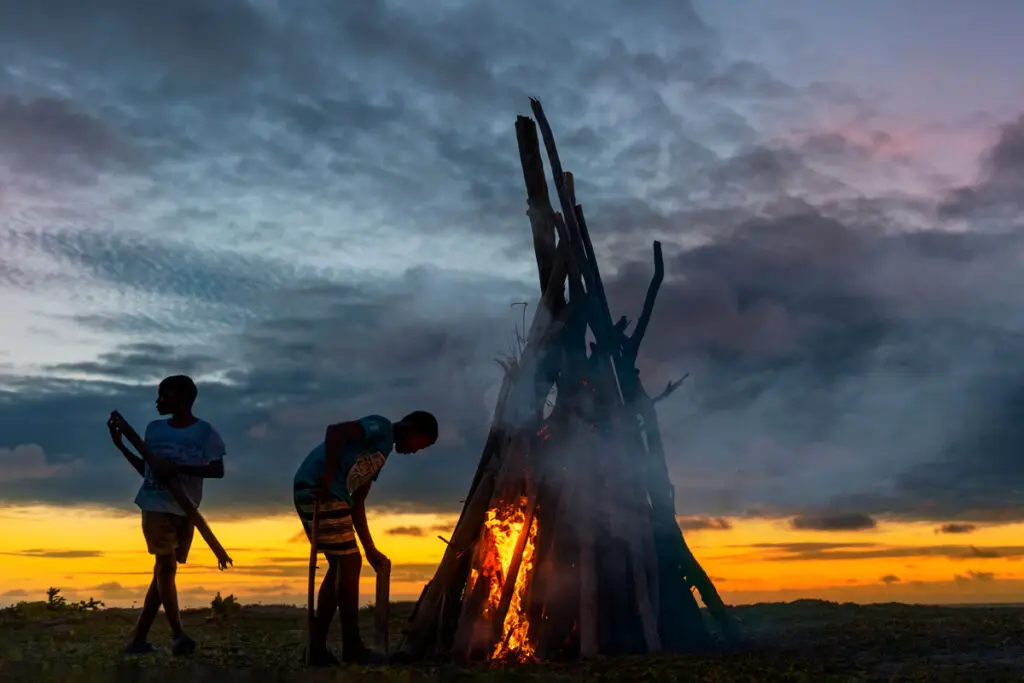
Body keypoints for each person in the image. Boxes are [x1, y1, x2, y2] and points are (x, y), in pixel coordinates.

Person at [293, 410, 438, 666]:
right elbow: (335, 431)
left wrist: (370, 548)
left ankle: (317, 649)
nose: (415, 451)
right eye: (420, 444)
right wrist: (328, 475)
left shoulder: (381, 454)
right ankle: (351, 648)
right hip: (319, 490)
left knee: (341, 565)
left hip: (330, 493)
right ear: (411, 427)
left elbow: (357, 502)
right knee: (349, 563)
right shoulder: (381, 427)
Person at [107, 375, 226, 657]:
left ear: (182, 400)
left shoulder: (205, 433)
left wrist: (178, 468)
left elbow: (217, 470)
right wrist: (121, 445)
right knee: (166, 567)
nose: (157, 401)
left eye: (164, 395)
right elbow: (148, 470)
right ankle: (178, 634)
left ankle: (138, 641)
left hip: (185, 509)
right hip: (154, 505)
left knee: (162, 574)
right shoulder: (154, 429)